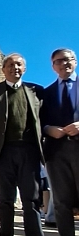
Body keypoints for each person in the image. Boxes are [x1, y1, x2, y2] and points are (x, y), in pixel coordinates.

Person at [0, 53, 44, 236]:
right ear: (3, 69)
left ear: (24, 69)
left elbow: (41, 119)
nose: (14, 68)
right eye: (10, 65)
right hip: (3, 152)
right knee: (6, 199)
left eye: (18, 65)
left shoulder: (36, 90)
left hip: (29, 152)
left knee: (31, 200)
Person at [40, 48, 79, 236]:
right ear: (53, 66)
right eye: (59, 61)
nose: (64, 64)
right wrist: (49, 130)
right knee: (62, 203)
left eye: (68, 59)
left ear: (75, 61)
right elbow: (40, 122)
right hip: (57, 154)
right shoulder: (46, 93)